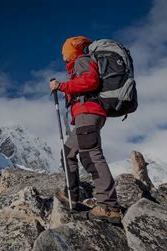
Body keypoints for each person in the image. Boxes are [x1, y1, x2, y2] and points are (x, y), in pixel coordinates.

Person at [49, 36, 121, 223]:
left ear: (70, 52)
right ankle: (71, 195)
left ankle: (108, 206)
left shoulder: (82, 61)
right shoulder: (79, 64)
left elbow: (90, 82)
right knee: (68, 152)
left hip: (88, 112)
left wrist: (62, 86)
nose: (63, 56)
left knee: (91, 154)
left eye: (64, 52)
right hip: (85, 115)